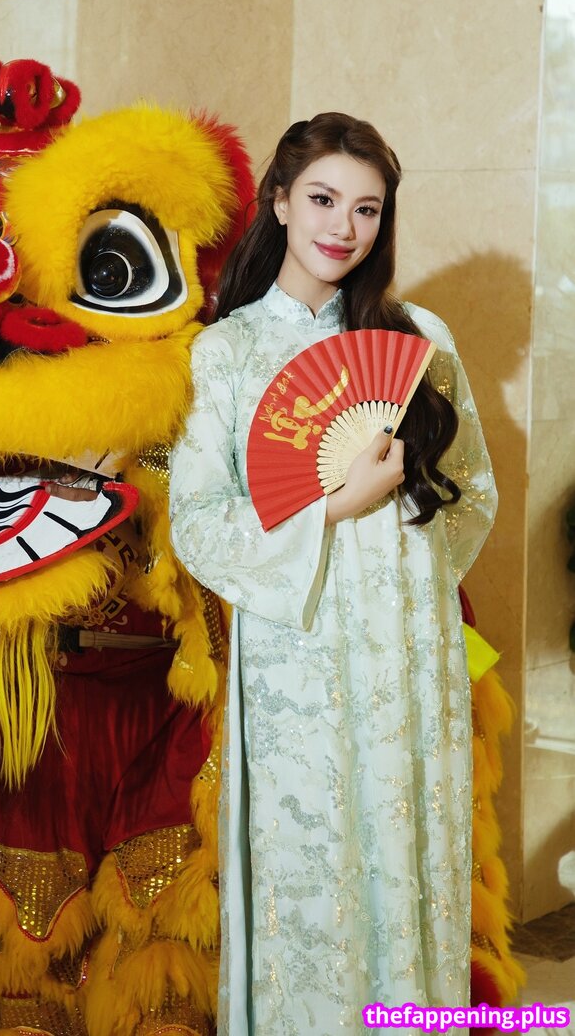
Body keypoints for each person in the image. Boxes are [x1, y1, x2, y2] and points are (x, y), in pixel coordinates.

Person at [168, 113, 497, 1035]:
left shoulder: (419, 336)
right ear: (278, 202)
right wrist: (335, 511)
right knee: (310, 865)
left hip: (410, 650)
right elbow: (198, 524)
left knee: (412, 849)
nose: (341, 227)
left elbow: (472, 491)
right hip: (296, 653)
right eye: (321, 199)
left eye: (365, 209)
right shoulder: (224, 353)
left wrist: (406, 580)